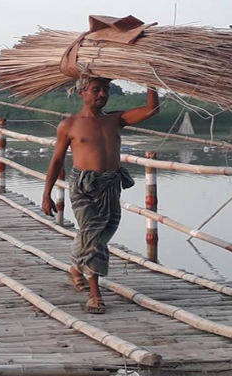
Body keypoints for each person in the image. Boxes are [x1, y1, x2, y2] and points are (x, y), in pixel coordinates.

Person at [41, 77, 160, 314]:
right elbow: (56, 161)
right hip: (84, 186)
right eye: (96, 90)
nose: (101, 94)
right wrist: (47, 194)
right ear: (81, 92)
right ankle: (95, 293)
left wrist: (150, 81)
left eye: (105, 90)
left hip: (110, 184)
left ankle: (76, 266)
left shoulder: (115, 120)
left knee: (103, 232)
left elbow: (152, 110)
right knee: (93, 235)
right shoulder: (70, 124)